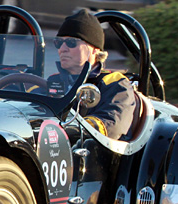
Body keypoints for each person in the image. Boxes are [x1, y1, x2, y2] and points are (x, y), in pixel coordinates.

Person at [46, 9, 136, 140]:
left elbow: (111, 124)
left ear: (94, 49)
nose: (62, 49)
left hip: (93, 154)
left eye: (71, 43)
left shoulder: (115, 83)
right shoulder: (53, 80)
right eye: (58, 43)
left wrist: (68, 129)